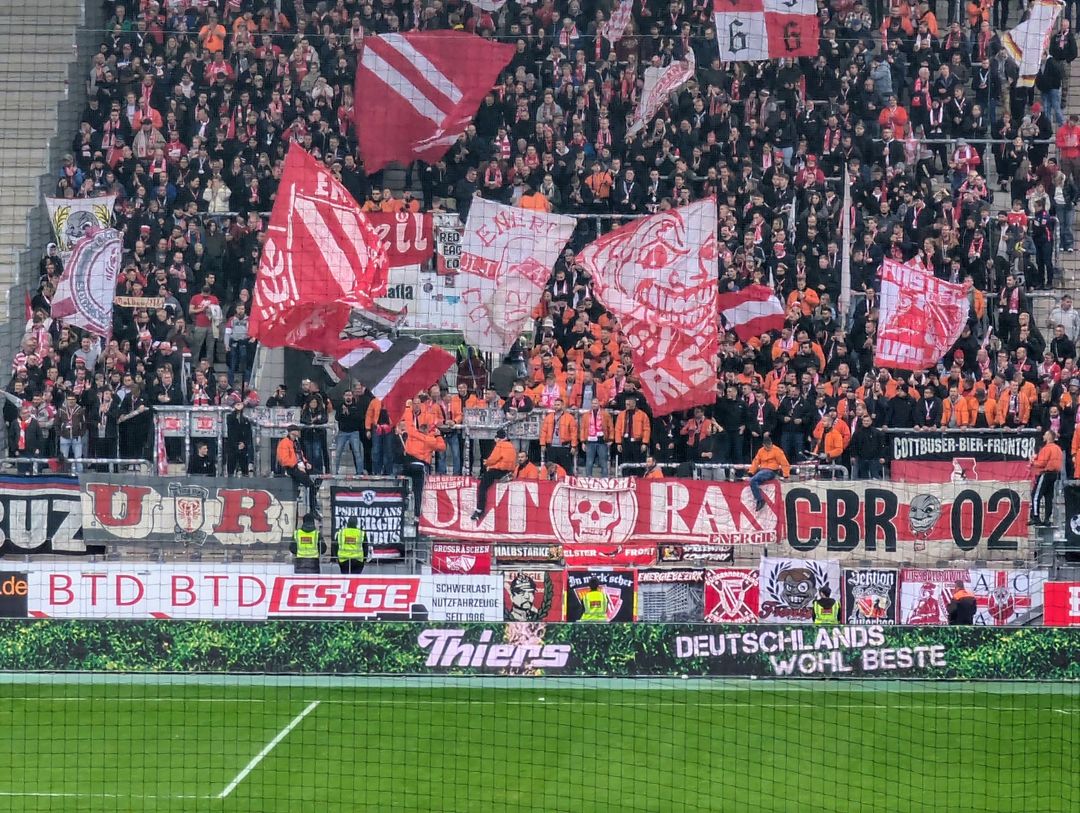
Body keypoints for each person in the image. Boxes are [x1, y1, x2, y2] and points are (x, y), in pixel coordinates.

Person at [401, 420, 445, 515]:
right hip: (420, 467)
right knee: (418, 492)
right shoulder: (429, 440)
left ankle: (403, 510)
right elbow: (442, 447)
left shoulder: (412, 435)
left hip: (407, 466)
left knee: (404, 489)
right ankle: (417, 514)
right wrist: (438, 435)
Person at [471, 428, 516, 520]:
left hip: (498, 470)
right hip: (509, 469)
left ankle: (479, 510)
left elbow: (493, 459)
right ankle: (505, 476)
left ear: (497, 438)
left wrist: (486, 463)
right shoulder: (511, 445)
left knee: (482, 486)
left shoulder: (499, 445)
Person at [276, 424, 320, 515]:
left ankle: (313, 496)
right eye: (294, 434)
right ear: (290, 433)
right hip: (291, 468)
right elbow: (284, 460)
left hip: (300, 465)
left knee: (319, 475)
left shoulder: (296, 443)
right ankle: (312, 507)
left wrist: (306, 463)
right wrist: (297, 466)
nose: (295, 436)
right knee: (310, 484)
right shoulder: (284, 443)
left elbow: (300, 456)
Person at [746, 434, 791, 511]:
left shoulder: (777, 450)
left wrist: (786, 475)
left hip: (771, 471)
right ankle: (760, 499)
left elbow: (784, 463)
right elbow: (756, 461)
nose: (769, 447)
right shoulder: (760, 451)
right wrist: (751, 471)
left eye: (770, 445)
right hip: (762, 470)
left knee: (753, 480)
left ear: (771, 443)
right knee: (752, 481)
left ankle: (760, 500)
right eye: (767, 446)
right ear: (763, 445)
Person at [1030, 429, 1064, 525]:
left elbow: (1042, 463)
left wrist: (1033, 462)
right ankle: (1047, 519)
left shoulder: (1047, 448)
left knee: (1036, 495)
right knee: (1049, 497)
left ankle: (1035, 517)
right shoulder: (1058, 449)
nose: (1043, 436)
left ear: (1049, 437)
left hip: (1046, 473)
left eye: (1045, 434)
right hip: (1054, 474)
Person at [333, 389, 365, 474]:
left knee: (357, 452)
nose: (348, 397)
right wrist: (342, 412)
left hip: (354, 432)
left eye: (350, 395)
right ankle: (335, 472)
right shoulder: (340, 406)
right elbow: (337, 418)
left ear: (352, 396)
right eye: (346, 395)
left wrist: (349, 412)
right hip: (342, 432)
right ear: (344, 396)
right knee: (338, 452)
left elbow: (360, 417)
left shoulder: (356, 406)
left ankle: (360, 472)